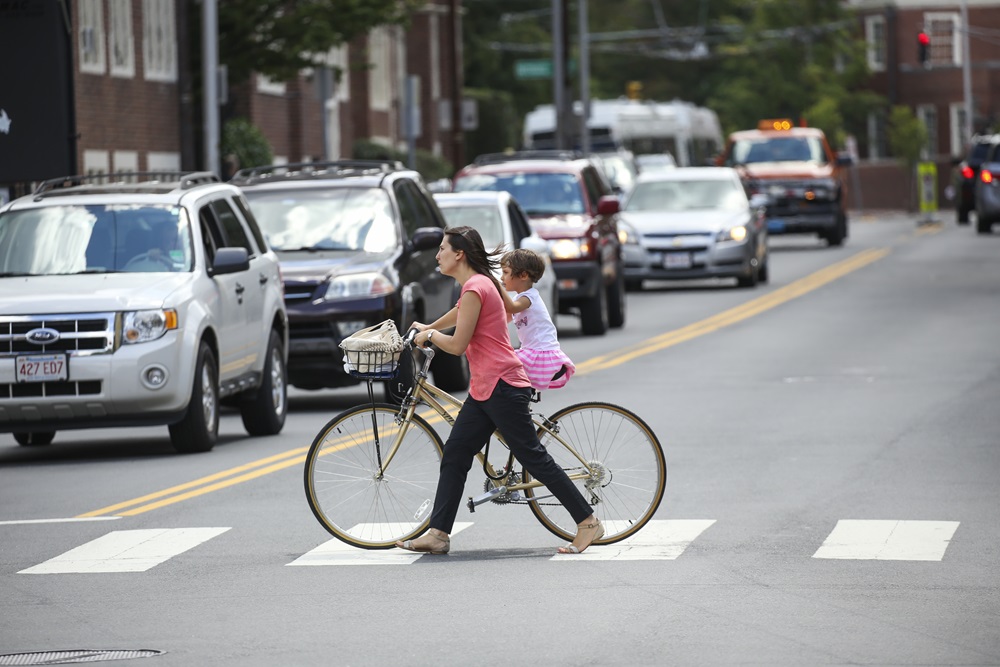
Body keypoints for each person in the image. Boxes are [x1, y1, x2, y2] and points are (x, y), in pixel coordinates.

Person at [395, 226, 603, 556]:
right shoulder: (478, 285)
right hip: (485, 389)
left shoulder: (477, 287)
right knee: (456, 454)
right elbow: (463, 312)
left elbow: (459, 344)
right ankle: (438, 534)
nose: (438, 255)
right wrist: (430, 326)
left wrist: (431, 337)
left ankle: (588, 522)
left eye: (442, 249)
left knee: (534, 458)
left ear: (459, 254)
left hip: (503, 387)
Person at [499, 248, 575, 391]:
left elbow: (511, 308)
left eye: (505, 272)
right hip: (533, 353)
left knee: (500, 368)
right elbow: (501, 318)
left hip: (540, 354)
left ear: (523, 275)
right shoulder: (518, 298)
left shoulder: (529, 297)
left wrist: (495, 286)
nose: (502, 278)